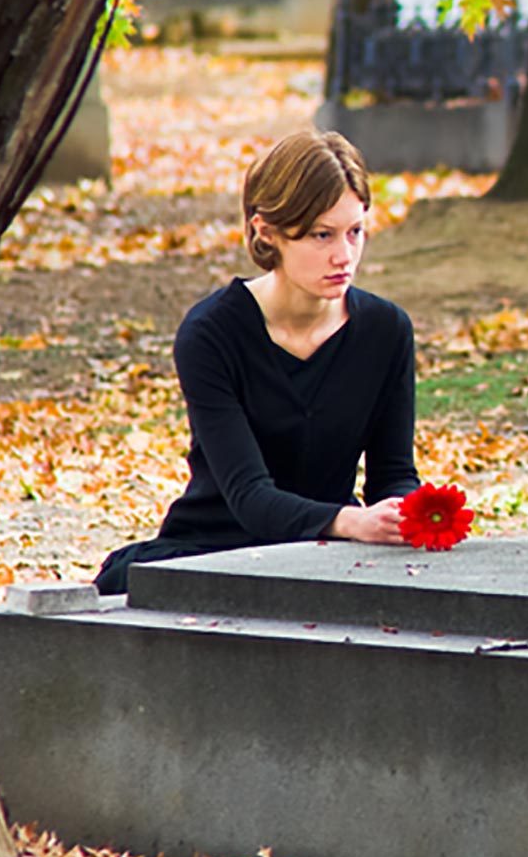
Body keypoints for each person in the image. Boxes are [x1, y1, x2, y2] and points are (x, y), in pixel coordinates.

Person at [93, 129, 417, 596]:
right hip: (217, 547)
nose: (343, 255)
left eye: (355, 232)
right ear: (267, 231)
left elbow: (394, 474)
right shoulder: (211, 334)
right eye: (321, 235)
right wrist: (351, 522)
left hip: (331, 546)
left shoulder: (386, 330)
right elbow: (249, 497)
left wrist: (406, 516)